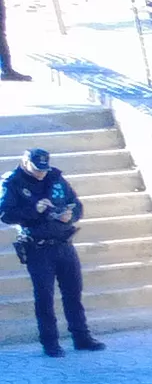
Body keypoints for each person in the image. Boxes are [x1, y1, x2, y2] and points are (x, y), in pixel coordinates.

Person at [5, 145, 101, 357]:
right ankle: (50, 342)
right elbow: (6, 214)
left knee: (73, 293)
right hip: (38, 248)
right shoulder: (12, 182)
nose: (41, 173)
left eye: (43, 169)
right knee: (45, 297)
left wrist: (70, 215)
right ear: (25, 162)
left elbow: (76, 204)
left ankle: (81, 337)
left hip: (64, 243)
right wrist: (34, 209)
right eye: (37, 169)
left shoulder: (55, 178)